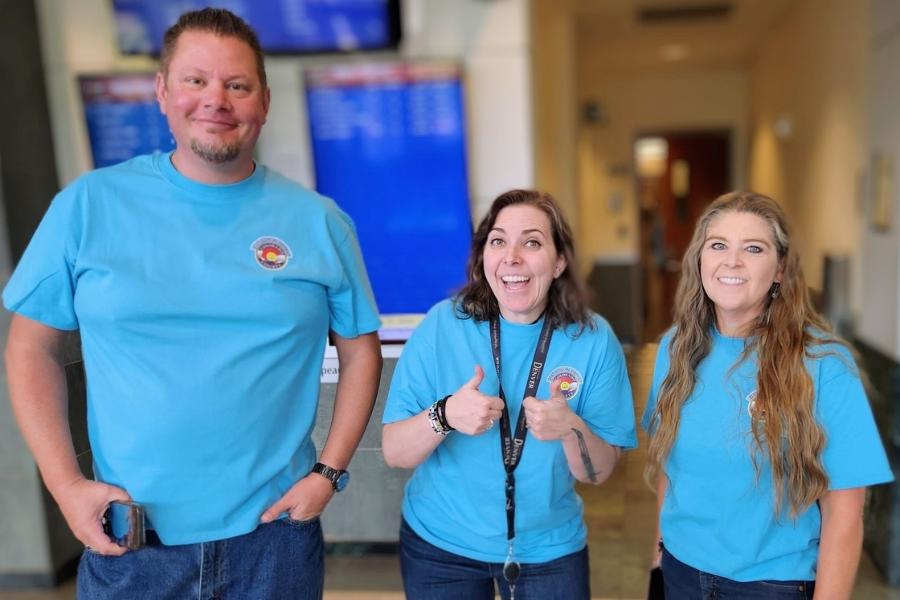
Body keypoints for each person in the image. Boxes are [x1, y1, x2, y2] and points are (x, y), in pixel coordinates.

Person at [3, 8, 382, 599]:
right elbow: (30, 348)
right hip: (131, 542)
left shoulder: (319, 221)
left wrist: (328, 474)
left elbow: (361, 353)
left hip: (274, 541)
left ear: (264, 99)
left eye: (237, 84)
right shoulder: (88, 207)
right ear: (161, 91)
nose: (216, 100)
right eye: (195, 80)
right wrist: (64, 484)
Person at [382, 189, 637, 599]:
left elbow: (598, 473)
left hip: (548, 551)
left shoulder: (592, 339)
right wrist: (444, 414)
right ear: (484, 256)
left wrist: (571, 428)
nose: (512, 256)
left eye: (532, 242)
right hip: (440, 547)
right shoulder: (442, 326)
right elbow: (395, 452)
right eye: (498, 241)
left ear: (559, 262)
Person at [642, 191, 893, 599]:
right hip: (680, 575)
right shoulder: (675, 349)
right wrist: (658, 561)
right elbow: (673, 472)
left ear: (780, 269)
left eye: (753, 248)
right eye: (718, 245)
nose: (732, 261)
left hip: (771, 586)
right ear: (700, 260)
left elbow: (845, 512)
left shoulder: (825, 365)